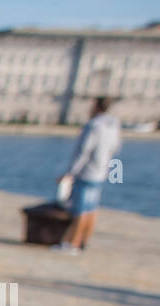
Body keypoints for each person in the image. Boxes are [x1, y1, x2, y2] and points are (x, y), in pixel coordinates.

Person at [53, 96, 121, 255]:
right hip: (101, 172)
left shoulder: (93, 126)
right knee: (92, 209)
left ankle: (73, 244)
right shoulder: (113, 125)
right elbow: (116, 148)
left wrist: (69, 173)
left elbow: (83, 152)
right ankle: (84, 242)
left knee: (80, 209)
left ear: (96, 106)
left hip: (86, 172)